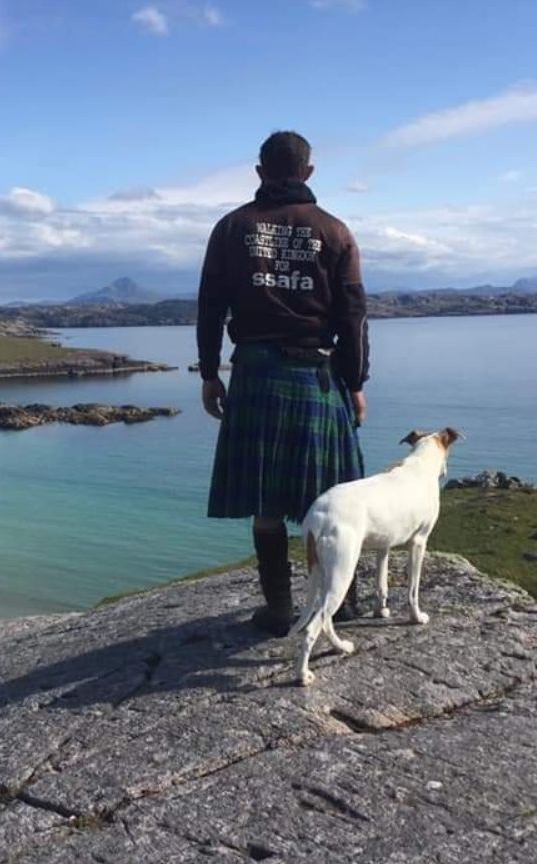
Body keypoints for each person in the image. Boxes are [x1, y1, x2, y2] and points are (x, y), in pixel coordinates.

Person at [197, 130, 369, 636]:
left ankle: (278, 610)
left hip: (253, 372)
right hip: (318, 375)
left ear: (259, 172)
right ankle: (345, 605)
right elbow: (354, 315)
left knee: (266, 504)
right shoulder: (335, 231)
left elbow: (210, 307)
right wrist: (355, 382)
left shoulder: (232, 229)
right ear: (309, 172)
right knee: (335, 499)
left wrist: (210, 372)